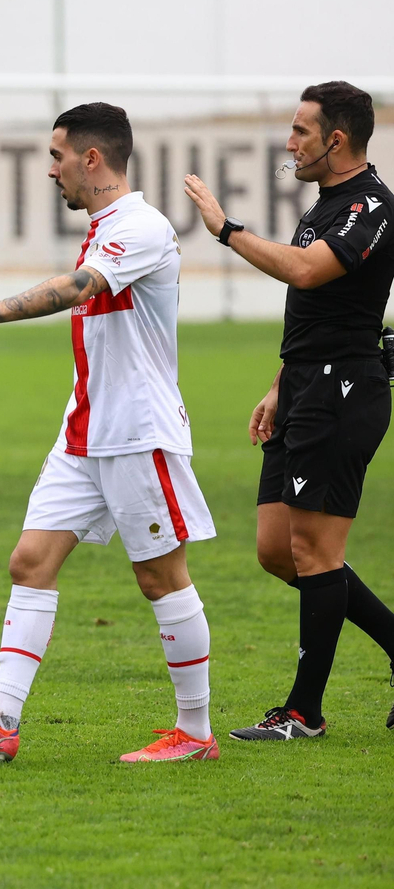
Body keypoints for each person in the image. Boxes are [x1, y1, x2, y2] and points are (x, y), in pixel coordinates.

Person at [0, 102, 220, 763]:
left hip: (137, 433)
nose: (50, 171)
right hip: (83, 429)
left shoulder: (141, 226)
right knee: (31, 561)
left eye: (56, 157)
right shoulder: (108, 224)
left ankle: (195, 732)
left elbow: (81, 287)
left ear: (91, 157)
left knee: (162, 577)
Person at [185, 80, 394, 741]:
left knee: (314, 549)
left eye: (300, 130)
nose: (289, 142)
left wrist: (226, 229)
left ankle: (303, 712)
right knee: (280, 551)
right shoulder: (325, 203)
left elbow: (307, 273)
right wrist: (280, 384)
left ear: (336, 139)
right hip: (304, 387)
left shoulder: (373, 206)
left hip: (343, 393)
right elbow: (316, 314)